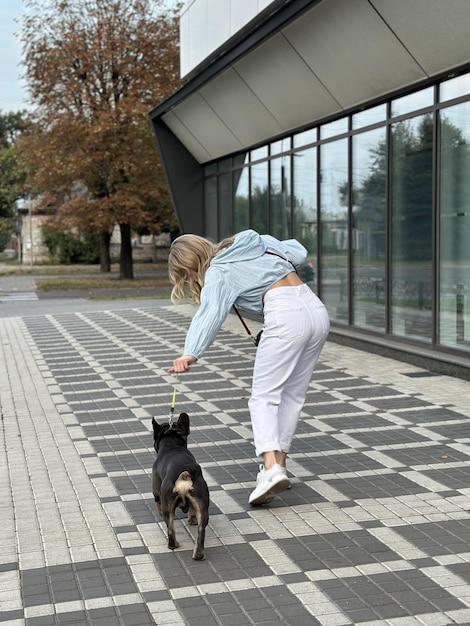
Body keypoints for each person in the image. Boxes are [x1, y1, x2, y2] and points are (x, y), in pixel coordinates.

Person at [168, 229, 330, 506]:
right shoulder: (258, 242)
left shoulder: (219, 269)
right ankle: (276, 467)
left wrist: (190, 353)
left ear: (191, 264)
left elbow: (211, 312)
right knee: (292, 397)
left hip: (284, 313)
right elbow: (298, 251)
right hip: (315, 309)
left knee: (263, 398)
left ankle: (271, 468)